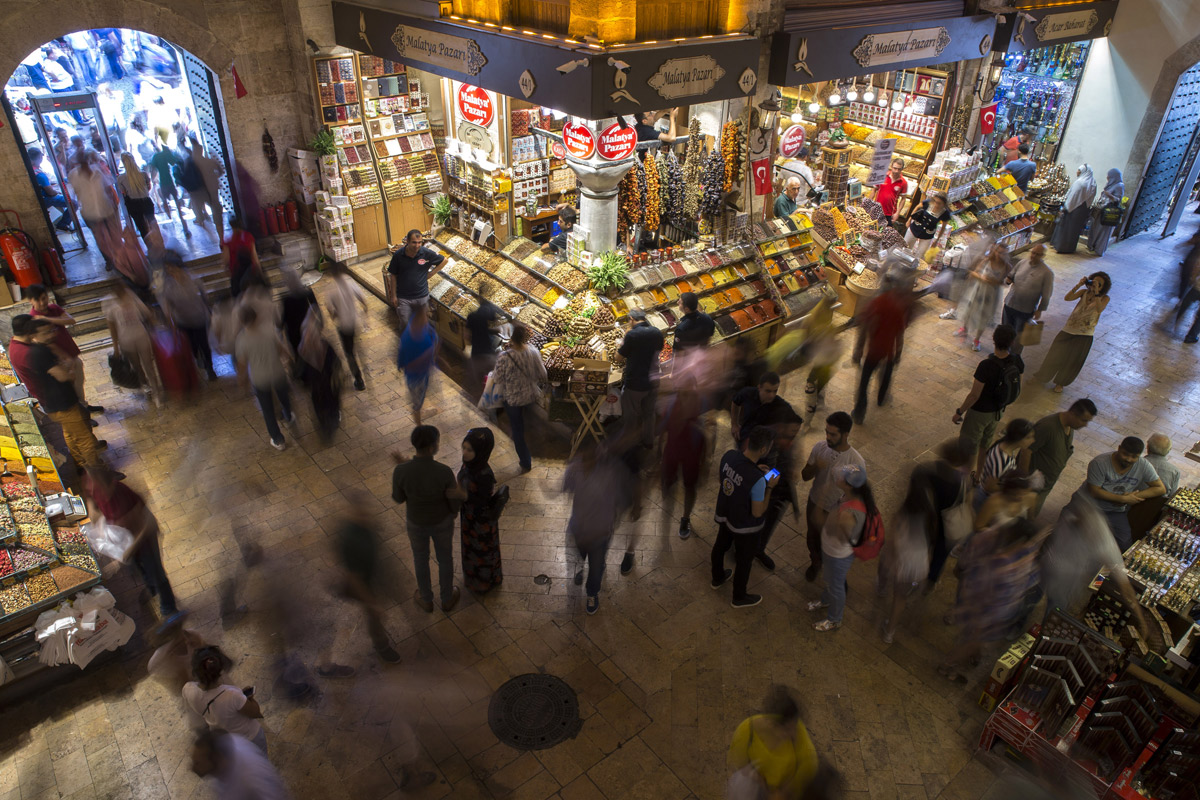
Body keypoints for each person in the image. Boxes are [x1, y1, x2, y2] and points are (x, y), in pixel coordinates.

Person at [940, 515, 1048, 683]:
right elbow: (980, 586)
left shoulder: (1015, 552)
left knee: (973, 640)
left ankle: (969, 655)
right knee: (971, 642)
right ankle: (947, 665)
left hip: (992, 613)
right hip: (985, 614)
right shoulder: (1001, 562)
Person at [83, 466, 179, 619]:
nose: (99, 493)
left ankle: (169, 608)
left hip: (145, 539)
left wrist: (128, 551)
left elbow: (148, 525)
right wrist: (94, 517)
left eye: (102, 490)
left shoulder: (123, 496)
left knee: (156, 572)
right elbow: (90, 500)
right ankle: (151, 588)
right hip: (124, 539)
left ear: (112, 484)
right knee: (139, 569)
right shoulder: (95, 486)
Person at [392, 425, 466, 613]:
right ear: (433, 447)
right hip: (441, 522)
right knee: (445, 559)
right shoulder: (443, 471)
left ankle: (426, 599)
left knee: (420, 558)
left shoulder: (401, 471)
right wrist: (454, 512)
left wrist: (403, 468)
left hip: (416, 522)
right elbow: (452, 499)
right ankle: (447, 598)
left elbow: (399, 498)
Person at [1042, 493, 1147, 622]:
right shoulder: (1071, 518)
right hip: (1045, 570)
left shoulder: (1104, 542)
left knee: (1054, 611)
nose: (1079, 518)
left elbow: (1124, 584)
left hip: (1064, 584)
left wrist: (1140, 618)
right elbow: (1053, 539)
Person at [711, 425, 778, 609]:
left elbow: (723, 480)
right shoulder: (758, 480)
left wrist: (753, 469)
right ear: (764, 449)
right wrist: (769, 487)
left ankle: (717, 578)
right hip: (745, 526)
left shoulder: (728, 456)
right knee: (744, 559)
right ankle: (739, 597)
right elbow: (758, 511)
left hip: (726, 515)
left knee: (720, 546)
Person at [564, 439, 631, 614]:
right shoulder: (574, 469)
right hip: (579, 529)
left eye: (590, 456)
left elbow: (620, 500)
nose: (585, 461)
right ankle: (584, 569)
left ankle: (592, 592)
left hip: (599, 533)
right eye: (582, 456)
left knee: (595, 568)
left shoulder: (608, 473)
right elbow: (565, 488)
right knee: (580, 556)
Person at [333, 491, 402, 663]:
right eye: (361, 511)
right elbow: (353, 578)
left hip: (375, 573)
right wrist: (371, 602)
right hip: (365, 584)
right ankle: (382, 646)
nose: (367, 514)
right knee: (374, 616)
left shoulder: (366, 525)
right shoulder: (349, 540)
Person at [26, 320, 106, 467]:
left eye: (51, 331)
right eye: (46, 333)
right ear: (34, 335)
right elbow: (63, 376)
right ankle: (98, 472)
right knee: (85, 439)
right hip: (63, 403)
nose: (50, 335)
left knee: (71, 434)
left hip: (56, 404)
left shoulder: (38, 349)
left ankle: (82, 464)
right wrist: (69, 371)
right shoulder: (40, 352)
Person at [807, 464, 875, 632]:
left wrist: (822, 494)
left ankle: (835, 619)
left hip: (837, 555)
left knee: (836, 586)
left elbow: (821, 522)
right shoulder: (850, 496)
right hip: (832, 550)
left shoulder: (849, 514)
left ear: (849, 485)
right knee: (830, 580)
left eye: (841, 477)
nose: (837, 477)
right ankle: (826, 600)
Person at [801, 412, 866, 582]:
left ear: (845, 435)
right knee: (813, 537)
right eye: (826, 432)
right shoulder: (820, 448)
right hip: (815, 501)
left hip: (837, 510)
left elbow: (858, 493)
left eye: (833, 434)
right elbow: (804, 475)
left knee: (833, 543)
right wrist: (816, 467)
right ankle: (815, 563)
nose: (828, 437)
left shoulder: (856, 461)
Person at [952, 324, 1022, 477]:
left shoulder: (986, 365)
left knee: (969, 446)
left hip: (980, 412)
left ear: (993, 340)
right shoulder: (1016, 361)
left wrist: (960, 411)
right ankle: (978, 476)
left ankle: (963, 478)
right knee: (985, 444)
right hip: (998, 411)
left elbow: (974, 395)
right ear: (1012, 342)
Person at [1072, 437, 1165, 551]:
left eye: (1134, 457)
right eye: (1125, 454)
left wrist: (1133, 497)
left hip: (1115, 511)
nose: (1129, 459)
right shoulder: (1100, 463)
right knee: (1073, 535)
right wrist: (1122, 499)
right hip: (1089, 505)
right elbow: (1094, 491)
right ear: (1119, 448)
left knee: (1125, 544)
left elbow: (1160, 488)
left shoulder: (1143, 465)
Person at [727, 686, 819, 798]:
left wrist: (785, 790)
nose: (793, 733)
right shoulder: (746, 731)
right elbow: (741, 765)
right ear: (772, 724)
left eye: (794, 727)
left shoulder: (800, 737)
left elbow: (809, 765)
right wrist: (762, 783)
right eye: (788, 729)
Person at [879, 475, 935, 644]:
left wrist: (891, 562)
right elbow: (932, 542)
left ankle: (889, 631)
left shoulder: (902, 514)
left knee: (898, 597)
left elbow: (894, 542)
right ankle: (890, 630)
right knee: (903, 596)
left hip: (904, 563)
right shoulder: (931, 515)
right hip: (920, 564)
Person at [27, 284, 99, 413]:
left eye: (44, 298)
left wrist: (46, 318)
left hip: (71, 354)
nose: (43, 302)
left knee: (78, 382)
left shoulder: (53, 308)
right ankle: (81, 412)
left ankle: (84, 405)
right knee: (70, 387)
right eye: (38, 300)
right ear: (30, 301)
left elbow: (71, 320)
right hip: (59, 360)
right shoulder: (33, 319)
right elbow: (43, 343)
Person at [1034, 271, 1111, 391]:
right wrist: (1079, 285)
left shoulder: (1105, 298)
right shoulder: (1083, 292)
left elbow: (1099, 309)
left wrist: (1096, 292)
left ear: (1103, 287)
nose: (1095, 285)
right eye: (1093, 282)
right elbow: (1067, 298)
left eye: (1099, 284)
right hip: (1068, 329)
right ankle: (1042, 376)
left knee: (1073, 361)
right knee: (1055, 354)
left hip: (1085, 334)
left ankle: (1061, 383)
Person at [1019, 398, 1097, 516]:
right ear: (1073, 413)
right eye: (1084, 420)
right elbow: (1026, 450)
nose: (1085, 425)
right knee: (1024, 517)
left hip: (1044, 483)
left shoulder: (1070, 426)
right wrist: (1025, 481)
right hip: (1032, 485)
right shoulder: (1048, 427)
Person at [182, 646, 267, 752]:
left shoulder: (188, 689)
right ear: (219, 669)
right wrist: (250, 699)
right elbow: (255, 712)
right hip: (249, 737)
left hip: (227, 744)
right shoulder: (231, 694)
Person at [913, 440, 974, 588]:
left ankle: (913, 577)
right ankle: (930, 581)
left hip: (924, 521)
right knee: (940, 554)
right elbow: (967, 502)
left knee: (918, 550)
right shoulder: (963, 481)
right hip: (947, 526)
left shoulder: (925, 471)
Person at [852, 274, 911, 423]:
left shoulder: (876, 303)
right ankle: (881, 398)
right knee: (886, 377)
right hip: (888, 352)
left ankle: (859, 412)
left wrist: (859, 348)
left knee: (864, 382)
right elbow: (900, 333)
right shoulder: (898, 306)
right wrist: (898, 352)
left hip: (874, 351)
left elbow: (866, 327)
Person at [234, 306, 294, 451]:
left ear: (241, 321)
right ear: (256, 317)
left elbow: (242, 365)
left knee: (267, 409)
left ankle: (278, 440)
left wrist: (242, 381)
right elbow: (281, 349)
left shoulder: (242, 340)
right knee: (283, 395)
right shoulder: (268, 330)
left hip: (260, 379)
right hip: (277, 372)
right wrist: (290, 360)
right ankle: (289, 415)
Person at [491, 323, 546, 474]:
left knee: (518, 430)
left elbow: (497, 379)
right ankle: (538, 449)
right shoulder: (533, 352)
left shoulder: (504, 357)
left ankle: (526, 461)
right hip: (531, 396)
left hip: (513, 400)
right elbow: (543, 374)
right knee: (531, 423)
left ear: (511, 337)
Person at [661, 377, 707, 540]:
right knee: (669, 483)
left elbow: (707, 433)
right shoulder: (672, 403)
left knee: (689, 487)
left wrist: (705, 461)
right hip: (673, 450)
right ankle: (667, 513)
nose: (685, 394)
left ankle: (685, 518)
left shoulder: (701, 403)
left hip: (692, 452)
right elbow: (664, 429)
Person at [190, 729, 292, 800]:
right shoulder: (228, 743)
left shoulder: (250, 782)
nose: (192, 768)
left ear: (217, 758)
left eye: (198, 763)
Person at [458, 428, 501, 594]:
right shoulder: (469, 464)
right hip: (469, 518)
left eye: (470, 450)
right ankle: (472, 579)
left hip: (480, 523)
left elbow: (483, 501)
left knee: (482, 553)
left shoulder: (484, 475)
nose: (465, 453)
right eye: (464, 448)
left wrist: (463, 495)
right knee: (470, 550)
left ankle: (484, 583)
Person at [103, 281, 162, 401]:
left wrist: (157, 328)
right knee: (136, 365)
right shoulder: (110, 304)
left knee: (148, 364)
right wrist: (116, 348)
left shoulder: (132, 297)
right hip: (126, 340)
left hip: (141, 336)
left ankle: (156, 388)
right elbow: (112, 327)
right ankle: (145, 385)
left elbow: (147, 314)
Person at [159, 259, 216, 379]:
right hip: (183, 321)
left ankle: (210, 368)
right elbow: (168, 304)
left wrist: (208, 309)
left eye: (171, 268)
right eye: (168, 269)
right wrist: (170, 320)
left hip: (198, 317)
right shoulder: (168, 285)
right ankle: (198, 358)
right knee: (192, 345)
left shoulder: (193, 278)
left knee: (204, 344)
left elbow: (204, 296)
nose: (170, 271)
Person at [618, 308, 665, 449]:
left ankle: (630, 444)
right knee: (649, 413)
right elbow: (659, 350)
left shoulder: (632, 335)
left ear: (632, 319)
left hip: (635, 383)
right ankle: (648, 442)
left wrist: (621, 343)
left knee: (631, 416)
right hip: (654, 380)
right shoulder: (657, 332)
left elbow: (618, 357)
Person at [68, 150, 120, 268]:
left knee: (113, 235)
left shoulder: (98, 171)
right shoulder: (73, 175)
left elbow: (108, 188)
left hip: (106, 209)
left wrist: (114, 206)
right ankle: (109, 260)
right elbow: (75, 193)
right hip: (89, 211)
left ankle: (119, 258)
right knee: (100, 238)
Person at [297, 310, 342, 444]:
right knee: (321, 408)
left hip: (327, 386)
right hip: (319, 388)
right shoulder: (305, 352)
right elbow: (301, 375)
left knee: (331, 405)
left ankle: (331, 424)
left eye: (312, 335)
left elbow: (336, 362)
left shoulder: (323, 346)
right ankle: (326, 427)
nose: (310, 338)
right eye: (307, 336)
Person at [1001, 243, 1054, 355]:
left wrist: (1040, 309)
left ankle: (1013, 357)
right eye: (1033, 252)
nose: (1034, 256)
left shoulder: (1047, 273)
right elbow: (1011, 275)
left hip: (1025, 310)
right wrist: (1008, 280)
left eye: (1037, 254)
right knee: (1005, 331)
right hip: (1010, 303)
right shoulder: (1022, 263)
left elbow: (1046, 294)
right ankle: (1003, 353)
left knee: (1018, 337)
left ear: (1043, 256)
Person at [387, 230, 444, 328]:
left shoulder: (426, 253)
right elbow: (393, 275)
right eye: (414, 242)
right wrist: (393, 295)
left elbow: (444, 260)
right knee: (405, 323)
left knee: (423, 324)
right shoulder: (398, 255)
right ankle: (407, 341)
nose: (417, 245)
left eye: (419, 242)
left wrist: (431, 273)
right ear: (407, 241)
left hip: (422, 296)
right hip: (404, 297)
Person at [957, 244, 1009, 352]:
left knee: (985, 315)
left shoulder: (1007, 266)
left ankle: (977, 339)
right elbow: (974, 273)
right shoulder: (986, 260)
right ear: (995, 251)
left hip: (991, 295)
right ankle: (964, 329)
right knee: (970, 309)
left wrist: (995, 281)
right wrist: (982, 278)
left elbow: (1005, 282)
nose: (1000, 255)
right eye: (998, 252)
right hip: (979, 289)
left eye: (1003, 253)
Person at [325, 261, 368, 391]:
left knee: (349, 353)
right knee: (357, 348)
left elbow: (331, 311)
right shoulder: (350, 281)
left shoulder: (331, 289)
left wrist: (336, 315)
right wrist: (365, 314)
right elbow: (363, 299)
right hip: (355, 321)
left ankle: (359, 380)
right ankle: (363, 369)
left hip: (344, 326)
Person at [975, 419, 1035, 507]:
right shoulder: (1002, 460)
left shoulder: (1004, 446)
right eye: (1028, 437)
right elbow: (990, 487)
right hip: (986, 501)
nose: (1032, 440)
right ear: (1018, 438)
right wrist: (1013, 489)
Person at [396, 303, 438, 426]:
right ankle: (418, 424)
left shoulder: (421, 327)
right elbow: (406, 363)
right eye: (426, 314)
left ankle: (419, 411)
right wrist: (429, 354)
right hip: (415, 378)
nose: (428, 316)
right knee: (416, 403)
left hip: (422, 374)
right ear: (419, 316)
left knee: (421, 397)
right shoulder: (408, 338)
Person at [464, 281, 501, 400]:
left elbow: (467, 337)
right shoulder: (492, 311)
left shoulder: (472, 316)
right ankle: (491, 401)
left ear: (479, 297)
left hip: (476, 353)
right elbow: (496, 329)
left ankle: (481, 399)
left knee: (479, 379)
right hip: (489, 351)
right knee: (492, 378)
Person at [730, 372, 787, 446]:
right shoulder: (747, 393)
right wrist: (734, 424)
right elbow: (735, 402)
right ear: (759, 387)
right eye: (768, 391)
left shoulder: (778, 404)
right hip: (744, 438)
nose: (772, 395)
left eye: (775, 391)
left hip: (763, 446)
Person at [1051, 164, 1097, 254]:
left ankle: (1061, 247)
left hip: (1073, 209)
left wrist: (1065, 208)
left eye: (1079, 170)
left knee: (1067, 228)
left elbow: (1072, 197)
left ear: (1083, 172)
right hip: (1083, 210)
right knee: (1074, 230)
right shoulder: (1092, 182)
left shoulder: (1080, 182)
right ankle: (1070, 247)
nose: (1077, 172)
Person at [148, 140, 189, 236]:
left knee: (165, 202)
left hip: (163, 183)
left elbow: (153, 171)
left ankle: (171, 222)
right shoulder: (165, 154)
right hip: (170, 181)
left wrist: (152, 180)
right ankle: (184, 226)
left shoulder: (155, 157)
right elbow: (174, 162)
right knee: (177, 204)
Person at [28, 147, 74, 232]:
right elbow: (51, 193)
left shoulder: (29, 171)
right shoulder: (40, 175)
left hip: (37, 198)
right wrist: (58, 192)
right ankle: (63, 224)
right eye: (40, 157)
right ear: (39, 158)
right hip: (45, 199)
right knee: (74, 203)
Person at [188, 136, 225, 240]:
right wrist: (213, 177)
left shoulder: (190, 163)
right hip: (212, 189)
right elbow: (221, 171)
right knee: (217, 213)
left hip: (198, 192)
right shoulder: (210, 162)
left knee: (198, 208)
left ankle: (200, 219)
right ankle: (221, 239)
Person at [117, 152, 156, 240]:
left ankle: (151, 250)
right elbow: (149, 188)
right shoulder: (143, 174)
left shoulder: (121, 178)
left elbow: (124, 193)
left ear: (123, 162)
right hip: (146, 201)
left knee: (142, 228)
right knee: (153, 225)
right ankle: (161, 247)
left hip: (133, 204)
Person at [1088, 169, 1125, 256]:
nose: (1107, 177)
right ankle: (1092, 246)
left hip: (1108, 212)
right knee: (1096, 229)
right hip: (1101, 210)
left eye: (1109, 176)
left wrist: (1110, 196)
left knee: (1103, 231)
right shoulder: (1110, 184)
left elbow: (1118, 199)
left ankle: (1099, 249)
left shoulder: (1119, 186)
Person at [904, 191, 950, 261]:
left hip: (927, 235)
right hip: (915, 228)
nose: (936, 204)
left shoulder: (945, 213)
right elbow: (917, 207)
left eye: (939, 203)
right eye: (935, 201)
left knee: (920, 254)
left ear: (944, 204)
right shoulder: (928, 203)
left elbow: (943, 227)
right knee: (906, 247)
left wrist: (936, 240)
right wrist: (909, 219)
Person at [872, 157, 908, 224]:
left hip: (890, 214)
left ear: (902, 169)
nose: (896, 171)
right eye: (895, 168)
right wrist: (868, 204)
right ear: (891, 166)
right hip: (876, 209)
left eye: (899, 169)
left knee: (885, 233)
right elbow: (874, 190)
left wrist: (897, 213)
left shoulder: (903, 182)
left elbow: (903, 199)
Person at [1145, 434, 1181, 498]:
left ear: (1147, 446)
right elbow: (1171, 497)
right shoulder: (1175, 472)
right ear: (1169, 450)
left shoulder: (1137, 463)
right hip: (1157, 506)